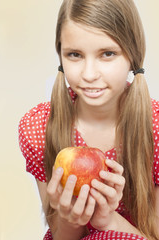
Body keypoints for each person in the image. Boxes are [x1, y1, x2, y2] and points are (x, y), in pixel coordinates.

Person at [18, 0, 159, 239]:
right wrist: (69, 218)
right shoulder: (40, 127)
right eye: (75, 55)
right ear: (61, 56)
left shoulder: (154, 129)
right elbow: (61, 236)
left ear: (133, 57)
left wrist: (108, 220)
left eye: (107, 54)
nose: (89, 74)